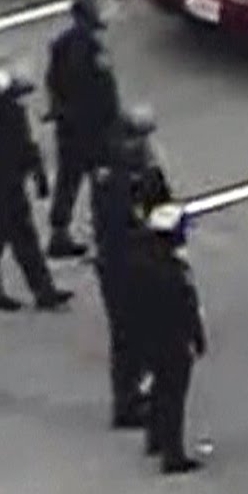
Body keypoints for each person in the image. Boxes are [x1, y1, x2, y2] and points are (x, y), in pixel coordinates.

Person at [0, 69, 71, 315]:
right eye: (14, 96)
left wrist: (38, 175)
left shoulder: (16, 118)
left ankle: (45, 292)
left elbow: (28, 147)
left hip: (15, 193)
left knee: (27, 242)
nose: (20, 101)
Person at [90, 118, 168, 429]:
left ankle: (136, 391)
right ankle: (126, 402)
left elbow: (164, 206)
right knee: (127, 336)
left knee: (142, 331)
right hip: (121, 266)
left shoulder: (140, 173)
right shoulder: (116, 181)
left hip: (138, 262)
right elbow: (126, 225)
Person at [42, 0, 122, 258]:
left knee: (68, 181)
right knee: (104, 183)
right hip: (92, 130)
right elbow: (101, 95)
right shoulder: (90, 50)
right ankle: (105, 238)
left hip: (67, 127)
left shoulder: (61, 45)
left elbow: (52, 82)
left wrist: (59, 110)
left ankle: (59, 232)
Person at [140, 203, 206, 474]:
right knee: (173, 395)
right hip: (172, 340)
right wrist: (197, 336)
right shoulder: (173, 271)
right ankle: (173, 453)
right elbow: (186, 308)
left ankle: (154, 437)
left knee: (159, 388)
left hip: (148, 336)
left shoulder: (142, 262)